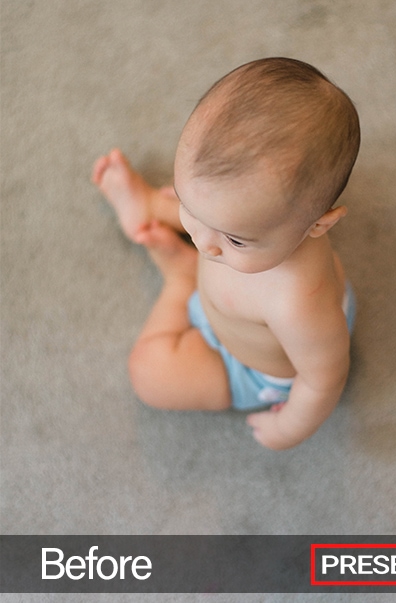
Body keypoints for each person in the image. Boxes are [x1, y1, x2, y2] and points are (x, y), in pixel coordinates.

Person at [92, 58, 360, 450]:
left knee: (149, 374)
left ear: (318, 225)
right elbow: (216, 222)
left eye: (236, 240)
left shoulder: (299, 304)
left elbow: (324, 378)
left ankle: (179, 282)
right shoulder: (244, 221)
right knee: (215, 204)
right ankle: (156, 205)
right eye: (185, 203)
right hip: (233, 307)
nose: (202, 243)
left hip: (250, 365)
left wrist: (290, 427)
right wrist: (211, 224)